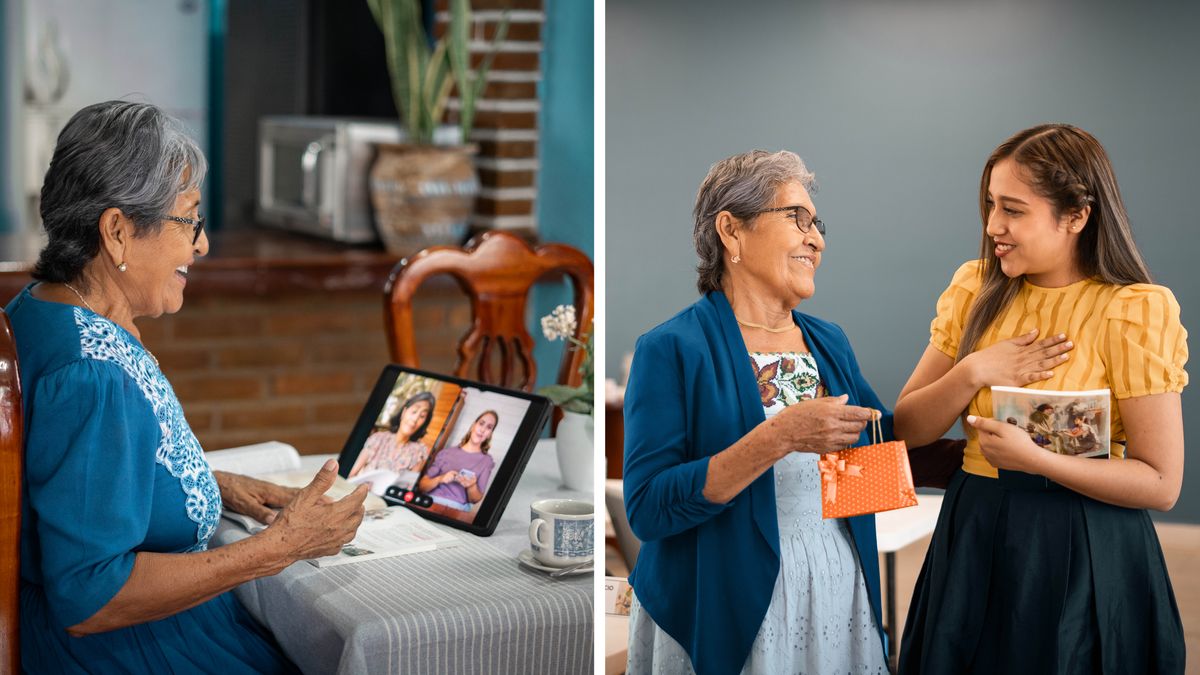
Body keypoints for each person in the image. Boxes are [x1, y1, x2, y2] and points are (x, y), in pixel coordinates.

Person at [9, 100, 369, 673]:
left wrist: (202, 481)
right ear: (118, 232)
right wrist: (281, 547)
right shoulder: (92, 376)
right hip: (125, 651)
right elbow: (92, 596)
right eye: (189, 220)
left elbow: (69, 480)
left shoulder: (40, 308)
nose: (201, 246)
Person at [895, 124, 1187, 674]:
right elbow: (908, 427)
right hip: (977, 528)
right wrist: (974, 370)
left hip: (1087, 541)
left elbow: (1161, 483)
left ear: (1076, 216)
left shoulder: (1134, 311)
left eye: (1013, 210)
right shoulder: (974, 288)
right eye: (989, 205)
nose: (993, 226)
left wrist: (1037, 460)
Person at [622, 150, 888, 675]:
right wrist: (779, 437)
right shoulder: (671, 347)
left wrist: (970, 384)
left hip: (835, 592)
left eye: (817, 224)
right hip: (729, 606)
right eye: (797, 218)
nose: (817, 239)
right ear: (731, 230)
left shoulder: (829, 341)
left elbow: (874, 466)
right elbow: (648, 510)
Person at [347, 391, 436, 480]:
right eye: (414, 411)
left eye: (422, 416)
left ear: (424, 423)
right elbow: (351, 472)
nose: (415, 419)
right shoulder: (378, 438)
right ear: (404, 412)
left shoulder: (419, 452)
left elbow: (409, 485)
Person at [418, 410, 498, 508]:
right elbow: (422, 486)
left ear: (490, 434)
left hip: (455, 508)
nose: (482, 430)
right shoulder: (446, 453)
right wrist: (440, 478)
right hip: (430, 501)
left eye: (489, 427)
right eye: (481, 424)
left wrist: (471, 486)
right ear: (473, 425)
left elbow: (475, 499)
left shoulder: (487, 461)